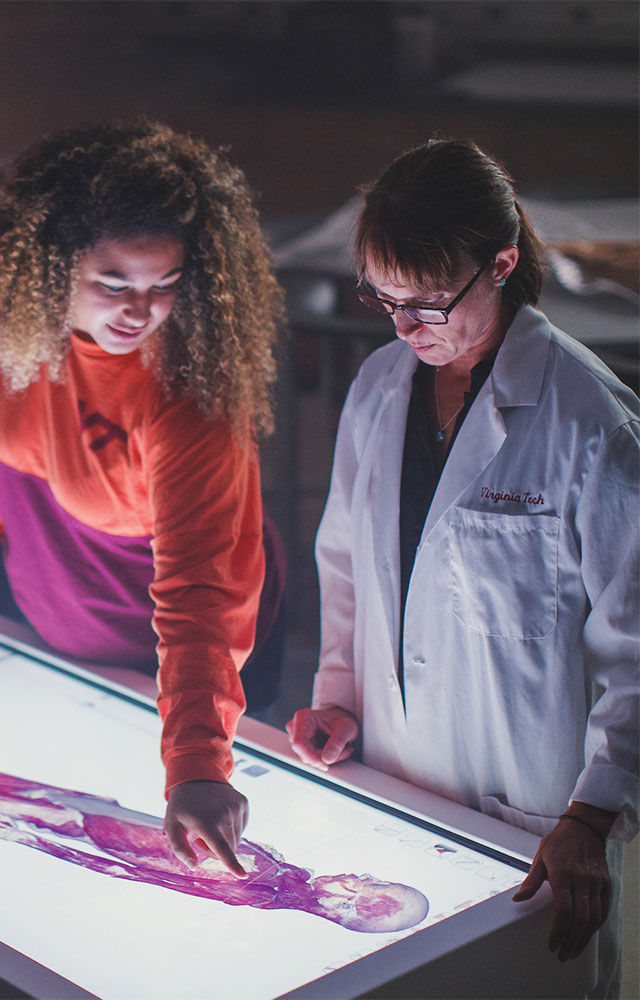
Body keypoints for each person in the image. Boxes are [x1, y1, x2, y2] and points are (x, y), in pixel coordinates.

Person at [286, 139, 638, 996]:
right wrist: (337, 695)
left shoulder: (591, 423)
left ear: (503, 263)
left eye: (429, 303)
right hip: (392, 784)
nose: (406, 329)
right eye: (385, 299)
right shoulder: (377, 388)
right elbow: (346, 567)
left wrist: (590, 816)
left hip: (532, 819)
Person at [0, 121, 286, 879]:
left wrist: (195, 761)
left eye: (165, 286)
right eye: (114, 284)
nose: (139, 311)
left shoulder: (190, 393)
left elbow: (198, 593)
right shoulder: (15, 329)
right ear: (49, 270)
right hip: (52, 624)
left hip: (176, 656)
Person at [0, 727, 429, 933]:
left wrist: (44, 843)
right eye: (369, 888)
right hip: (102, 814)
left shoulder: (260, 893)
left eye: (357, 906)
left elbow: (134, 869)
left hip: (89, 834)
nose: (353, 886)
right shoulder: (282, 872)